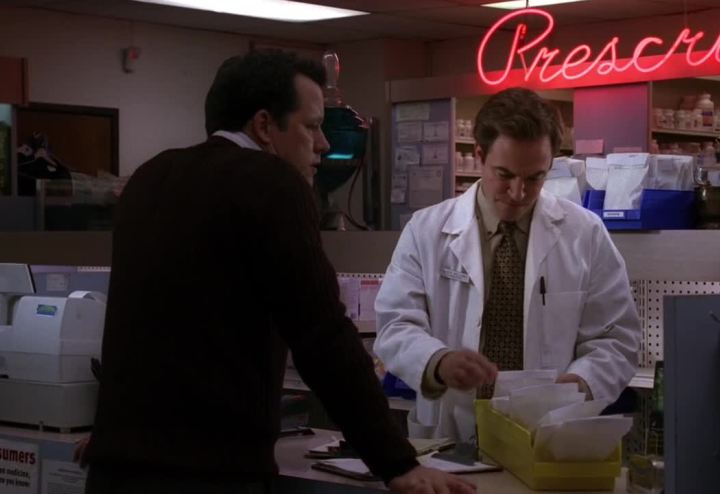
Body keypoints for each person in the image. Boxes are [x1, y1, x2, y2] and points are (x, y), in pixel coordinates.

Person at [83, 49, 475, 494]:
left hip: (117, 470)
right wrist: (396, 462)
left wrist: (113, 432)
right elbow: (322, 336)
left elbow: (140, 328)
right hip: (211, 473)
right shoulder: (271, 183)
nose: (323, 144)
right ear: (265, 125)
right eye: (311, 126)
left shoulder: (151, 177)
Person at [374, 87, 641, 441]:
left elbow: (617, 338)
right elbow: (395, 325)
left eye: (535, 178)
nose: (518, 193)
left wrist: (582, 382)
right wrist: (438, 361)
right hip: (451, 432)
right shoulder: (426, 230)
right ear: (479, 155)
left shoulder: (585, 234)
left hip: (548, 431)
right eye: (505, 175)